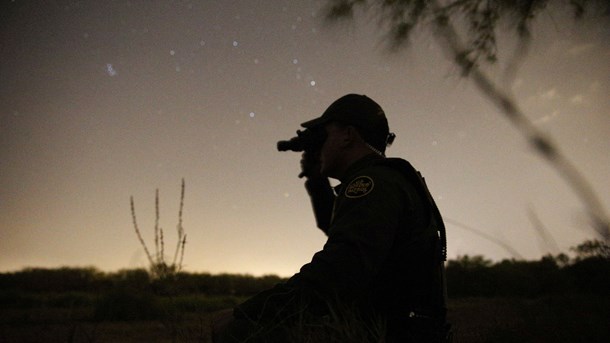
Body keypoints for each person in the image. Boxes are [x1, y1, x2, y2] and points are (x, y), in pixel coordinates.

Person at [213, 94, 450, 342]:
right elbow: (343, 229)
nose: (319, 146)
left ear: (348, 135)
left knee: (239, 330)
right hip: (400, 325)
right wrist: (317, 180)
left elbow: (338, 273)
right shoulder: (386, 180)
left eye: (324, 136)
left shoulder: (372, 183)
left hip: (392, 333)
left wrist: (249, 311)